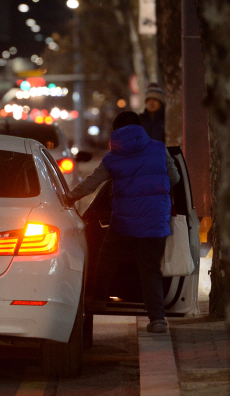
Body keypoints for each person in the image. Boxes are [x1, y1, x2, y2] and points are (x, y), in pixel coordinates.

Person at [65, 111, 180, 333]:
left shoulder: (113, 157)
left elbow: (91, 183)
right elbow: (174, 178)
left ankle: (98, 299)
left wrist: (69, 198)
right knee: (150, 269)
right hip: (156, 221)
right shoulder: (158, 148)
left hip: (123, 222)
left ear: (116, 131)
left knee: (106, 258)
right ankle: (157, 320)